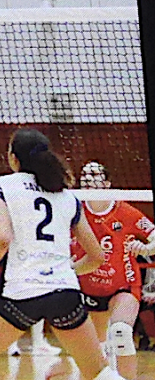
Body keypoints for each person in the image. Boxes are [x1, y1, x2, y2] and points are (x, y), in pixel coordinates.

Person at [0, 129, 118, 380]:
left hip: (21, 295)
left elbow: (2, 238)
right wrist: (66, 270)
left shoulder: (0, 187)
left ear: (13, 158)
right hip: (65, 294)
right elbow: (97, 257)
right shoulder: (67, 196)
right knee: (101, 374)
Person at [74, 161, 155, 378]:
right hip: (88, 289)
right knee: (94, 350)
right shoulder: (74, 210)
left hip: (123, 285)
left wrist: (146, 248)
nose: (88, 179)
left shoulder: (125, 211)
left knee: (121, 332)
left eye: (95, 174)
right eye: (84, 174)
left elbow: (154, 235)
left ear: (107, 183)